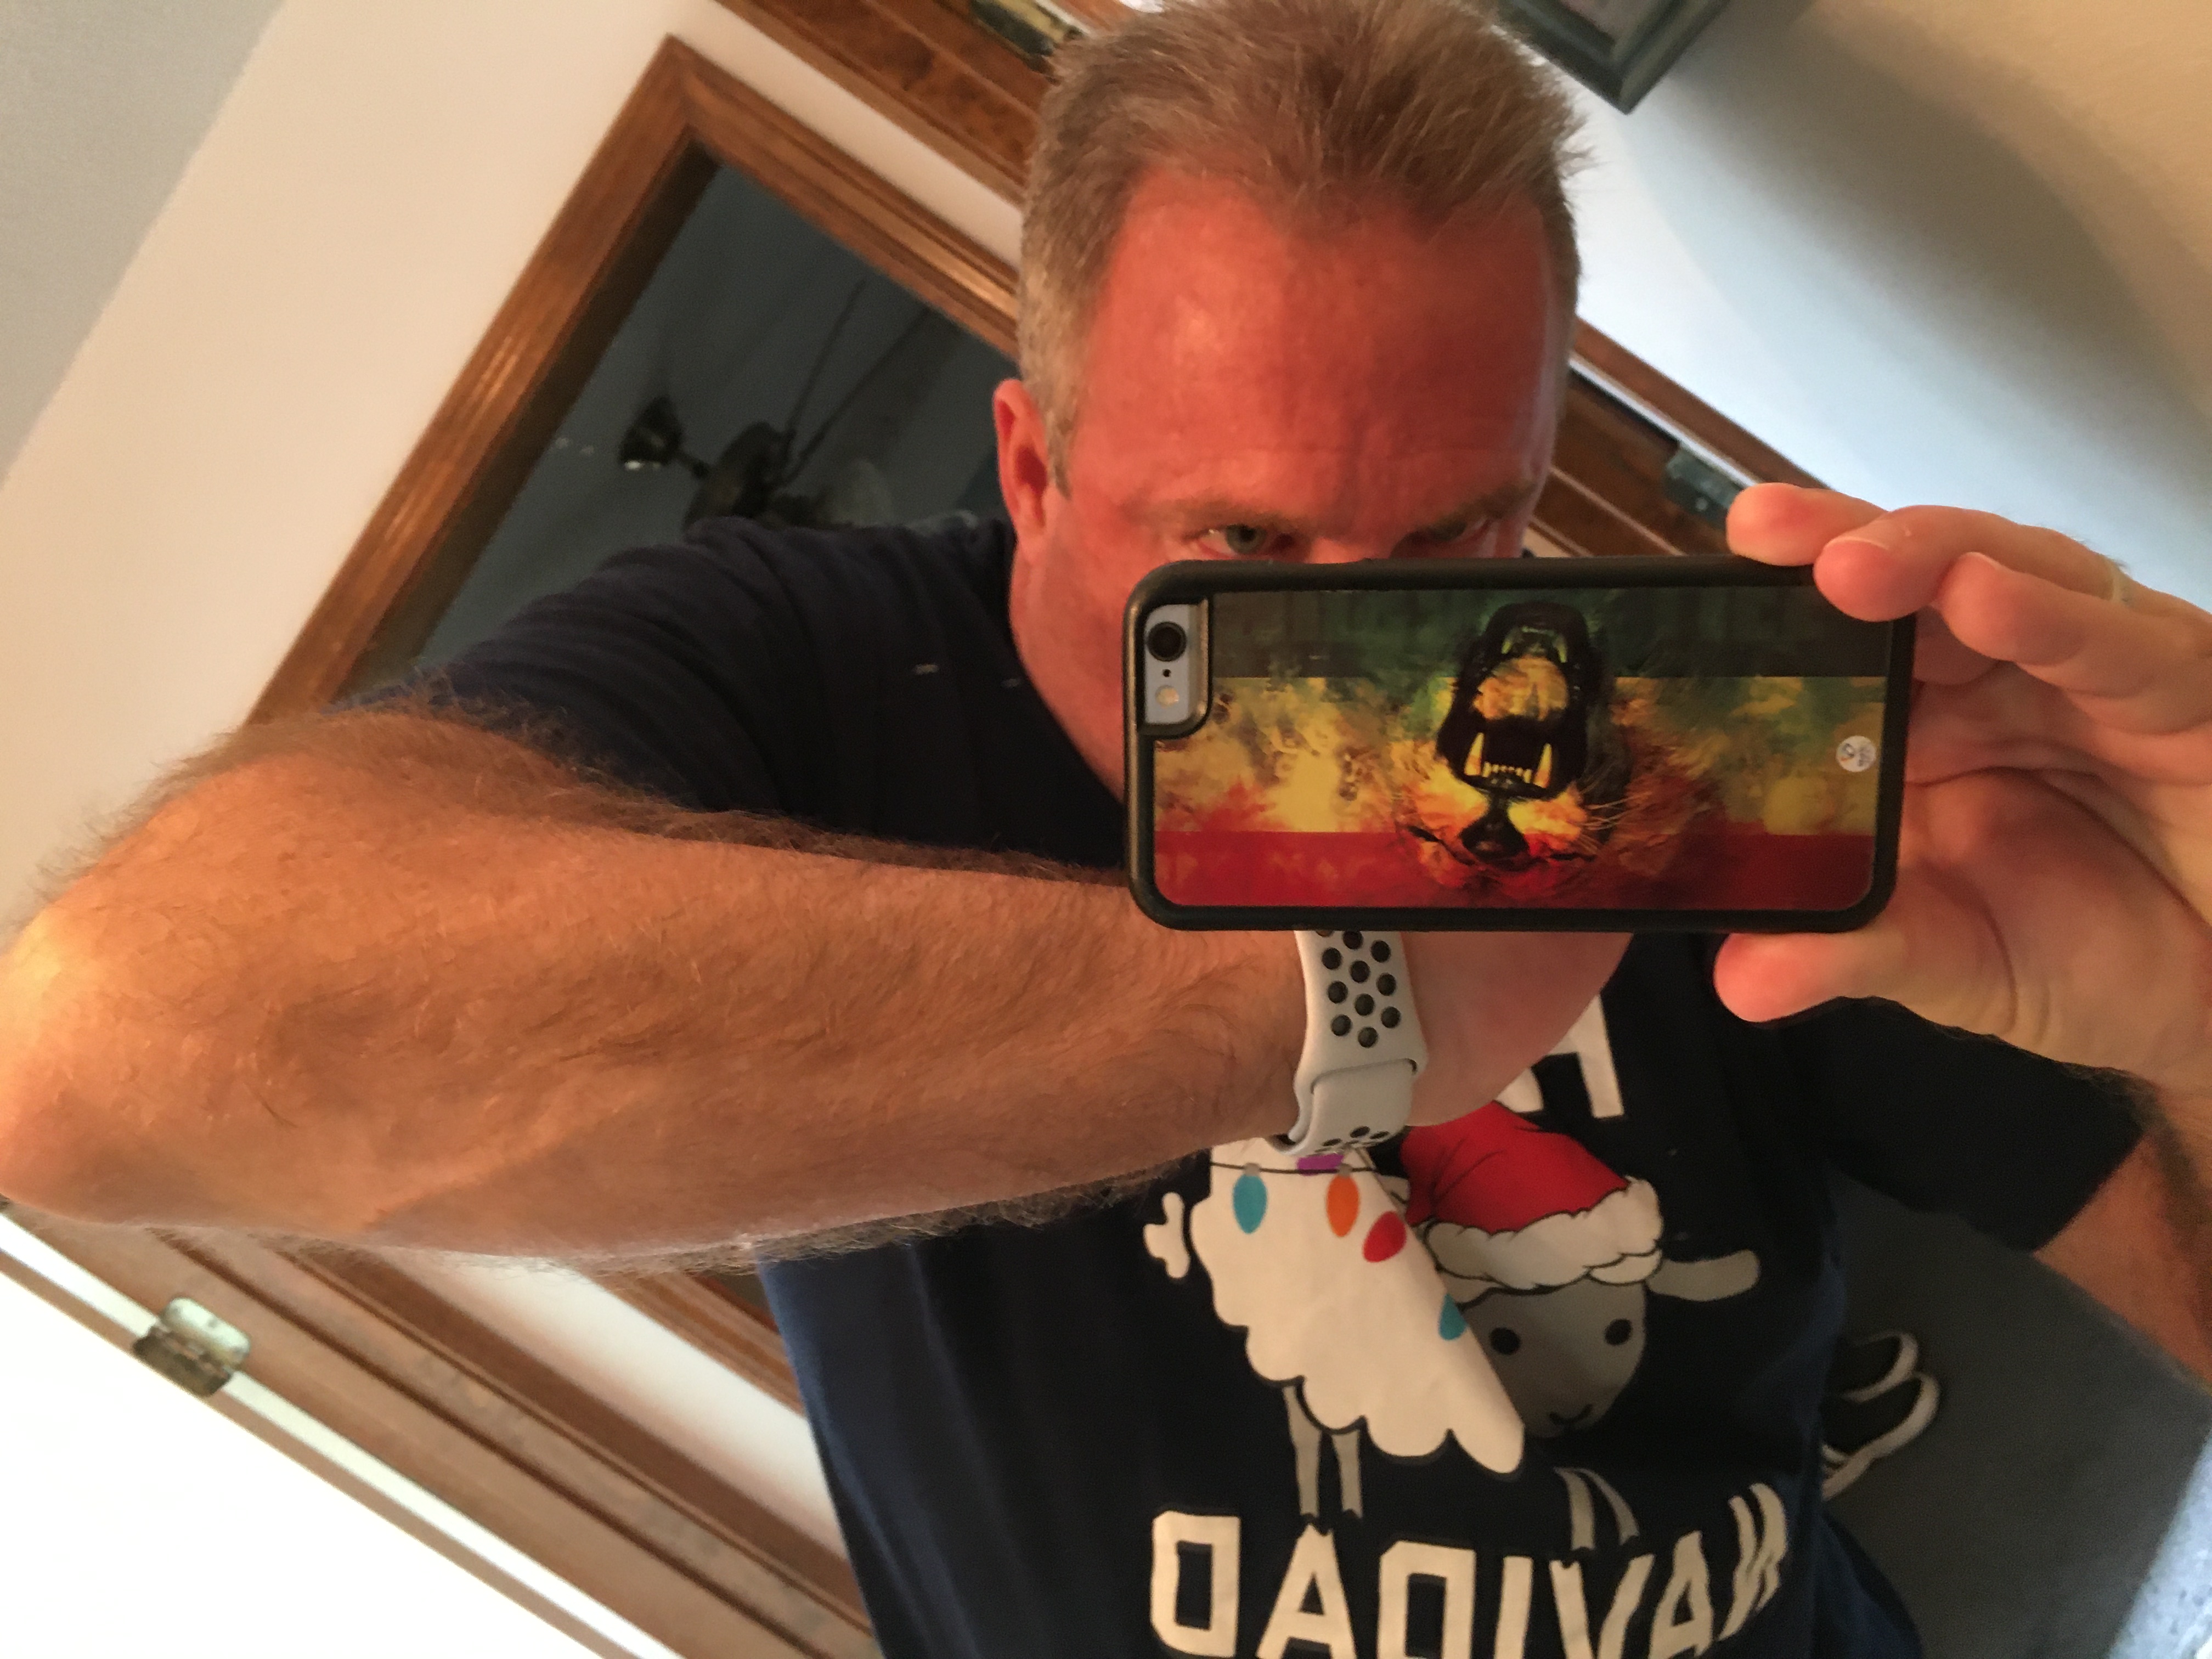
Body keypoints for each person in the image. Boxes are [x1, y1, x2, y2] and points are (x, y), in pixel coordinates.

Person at [2, 0, 2208, 1652]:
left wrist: (2192, 1002)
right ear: (1034, 469)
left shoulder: (1623, 731)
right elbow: (95, 1056)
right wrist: (1337, 1003)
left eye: (1465, 528)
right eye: (1243, 545)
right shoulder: (809, 671)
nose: (1369, 666)